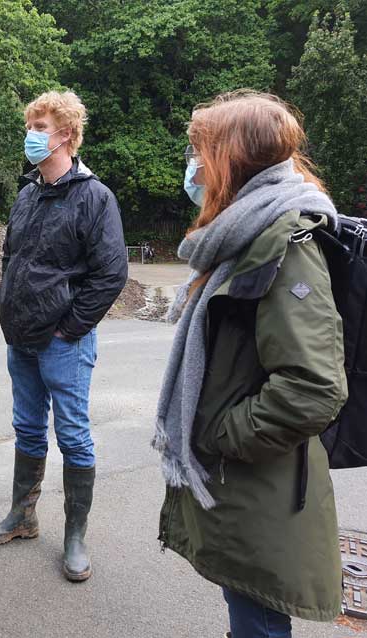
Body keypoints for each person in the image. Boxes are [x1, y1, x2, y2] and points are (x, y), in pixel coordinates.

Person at [153, 91, 347, 637]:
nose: (191, 167)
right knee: (250, 616)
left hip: (259, 483)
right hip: (248, 485)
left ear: (230, 160)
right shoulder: (247, 233)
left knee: (259, 623)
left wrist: (221, 433)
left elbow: (313, 386)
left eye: (198, 152)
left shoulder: (284, 242)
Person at [0, 90, 128, 582]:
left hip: (64, 342)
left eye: (40, 127)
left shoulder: (95, 197)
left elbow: (111, 274)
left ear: (67, 134)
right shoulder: (27, 194)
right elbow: (11, 258)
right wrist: (8, 308)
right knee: (27, 428)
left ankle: (75, 537)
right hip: (20, 338)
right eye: (31, 126)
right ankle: (23, 516)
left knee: (73, 437)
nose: (32, 135)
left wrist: (70, 328)